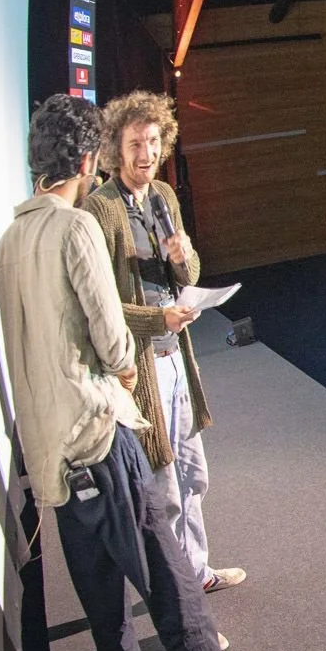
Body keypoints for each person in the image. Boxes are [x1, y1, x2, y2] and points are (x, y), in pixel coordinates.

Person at [0, 95, 310, 651]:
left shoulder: (7, 241)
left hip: (52, 459)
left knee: (104, 597)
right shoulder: (78, 225)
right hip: (101, 442)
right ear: (88, 157)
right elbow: (113, 344)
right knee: (170, 584)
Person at [82, 91, 245, 604]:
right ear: (115, 148)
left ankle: (197, 573)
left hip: (179, 359)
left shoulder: (164, 197)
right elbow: (100, 307)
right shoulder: (100, 210)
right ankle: (181, 603)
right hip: (142, 370)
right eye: (135, 143)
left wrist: (183, 257)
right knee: (164, 491)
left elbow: (190, 275)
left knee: (194, 477)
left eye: (153, 141)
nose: (146, 153)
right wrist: (157, 318)